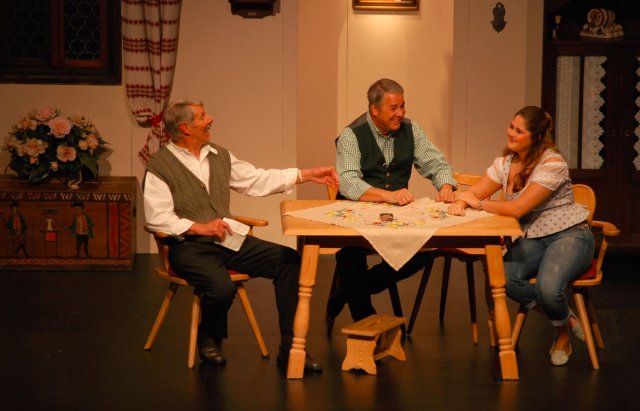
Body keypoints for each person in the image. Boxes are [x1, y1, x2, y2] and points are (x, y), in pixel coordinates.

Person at [143, 98, 338, 371]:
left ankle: (292, 349)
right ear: (186, 128)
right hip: (187, 245)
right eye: (203, 116)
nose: (210, 119)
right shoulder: (161, 165)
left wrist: (305, 174)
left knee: (289, 261)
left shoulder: (218, 155)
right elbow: (157, 217)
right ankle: (210, 338)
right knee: (221, 288)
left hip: (226, 239)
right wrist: (199, 227)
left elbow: (256, 179)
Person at [448, 106, 593, 366]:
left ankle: (561, 336)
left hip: (569, 234)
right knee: (503, 278)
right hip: (534, 238)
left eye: (519, 131)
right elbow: (474, 192)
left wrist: (477, 203)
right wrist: (460, 200)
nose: (511, 133)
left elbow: (517, 209)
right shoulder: (505, 164)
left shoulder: (553, 164)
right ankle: (565, 319)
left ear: (536, 137)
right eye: (511, 127)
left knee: (549, 288)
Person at [326, 78, 457, 333]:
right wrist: (388, 196)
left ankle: (349, 291)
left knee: (424, 251)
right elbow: (349, 183)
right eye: (393, 108)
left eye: (402, 106)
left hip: (395, 218)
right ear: (374, 109)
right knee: (350, 256)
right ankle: (369, 325)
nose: (400, 113)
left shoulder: (411, 129)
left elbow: (437, 163)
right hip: (357, 215)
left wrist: (445, 185)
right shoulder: (352, 135)